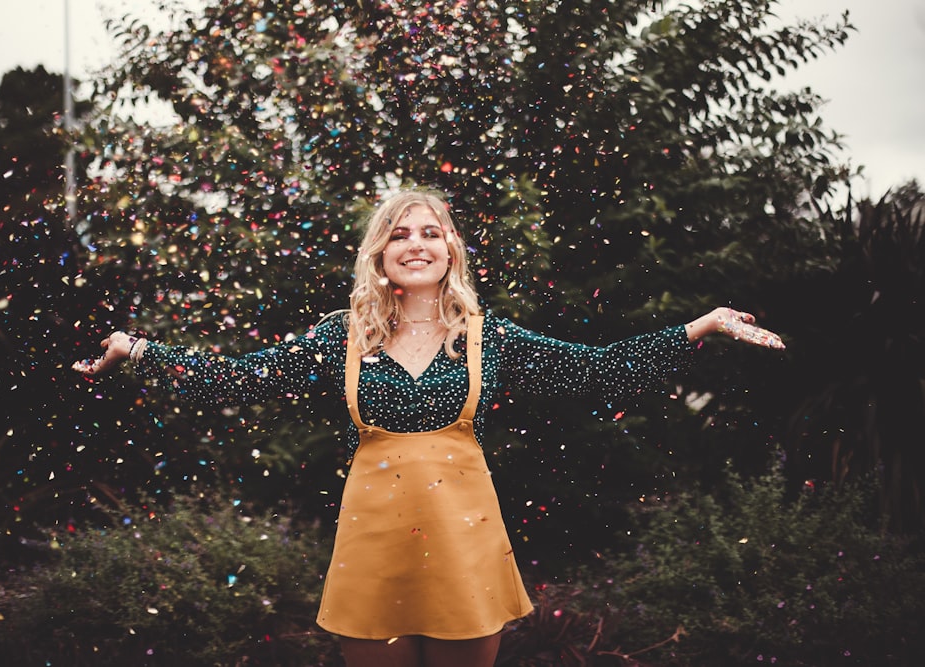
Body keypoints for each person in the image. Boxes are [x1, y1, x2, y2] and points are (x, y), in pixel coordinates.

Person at [73, 189, 784, 667]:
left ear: (451, 250)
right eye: (399, 234)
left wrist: (704, 326)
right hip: (372, 539)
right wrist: (136, 349)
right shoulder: (337, 337)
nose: (416, 243)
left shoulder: (489, 336)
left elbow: (597, 371)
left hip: (462, 539)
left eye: (431, 231)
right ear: (379, 255)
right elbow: (236, 378)